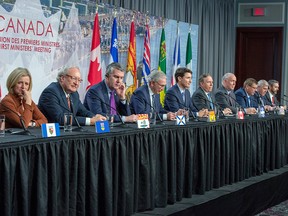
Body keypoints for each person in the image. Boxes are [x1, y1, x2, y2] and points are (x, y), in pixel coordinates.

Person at [38, 66, 106, 126]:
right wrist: (90, 121)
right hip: (50, 135)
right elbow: (60, 118)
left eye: (79, 80)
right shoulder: (50, 92)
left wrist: (95, 117)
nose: (76, 83)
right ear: (62, 78)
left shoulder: (74, 94)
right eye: (74, 78)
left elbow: (83, 111)